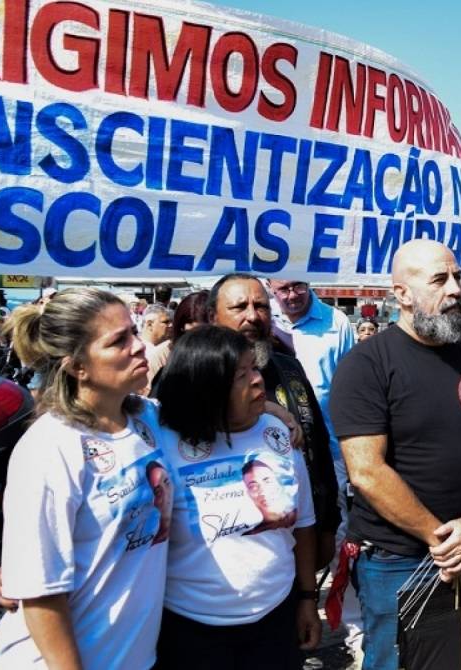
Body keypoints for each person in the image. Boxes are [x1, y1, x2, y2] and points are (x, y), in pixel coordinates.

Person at [329, 239, 461, 670]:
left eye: (457, 277)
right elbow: (366, 471)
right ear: (402, 294)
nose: (455, 289)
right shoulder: (366, 364)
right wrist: (445, 540)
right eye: (439, 279)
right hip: (399, 560)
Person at [0, 288, 171, 669]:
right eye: (119, 340)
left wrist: (274, 411)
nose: (139, 347)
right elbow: (40, 594)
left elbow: (211, 408)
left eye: (134, 332)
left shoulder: (146, 419)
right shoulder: (50, 448)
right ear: (76, 367)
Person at [153, 326, 320, 668]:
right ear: (206, 389)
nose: (258, 381)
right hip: (193, 631)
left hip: (275, 619)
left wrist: (307, 597)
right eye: (241, 375)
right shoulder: (159, 438)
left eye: (254, 368)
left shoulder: (278, 432)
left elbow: (303, 523)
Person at [209, 275, 340, 566]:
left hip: (301, 538)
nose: (253, 316)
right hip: (228, 558)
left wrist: (329, 522)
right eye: (239, 307)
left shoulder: (289, 368)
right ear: (213, 317)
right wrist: (262, 409)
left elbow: (317, 445)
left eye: (262, 306)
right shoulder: (192, 379)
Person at [267, 276, 358, 651]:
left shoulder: (337, 322)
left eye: (297, 287)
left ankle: (354, 631)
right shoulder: (262, 319)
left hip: (329, 454)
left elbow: (351, 387)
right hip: (273, 457)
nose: (291, 296)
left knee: (341, 544)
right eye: (282, 289)